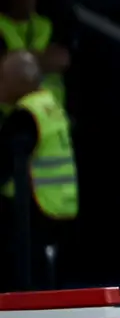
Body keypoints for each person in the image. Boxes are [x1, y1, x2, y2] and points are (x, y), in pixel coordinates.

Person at [0, 51, 77, 291]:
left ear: (17, 82)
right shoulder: (50, 104)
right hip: (61, 205)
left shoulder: (25, 115)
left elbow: (2, 164)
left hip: (34, 210)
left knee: (31, 286)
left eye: (2, 78)